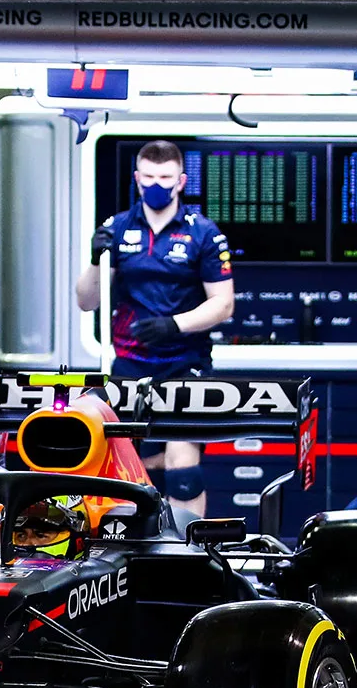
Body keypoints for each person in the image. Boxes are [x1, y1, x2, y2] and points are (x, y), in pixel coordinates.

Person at [75, 139, 236, 516]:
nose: (157, 184)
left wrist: (174, 325)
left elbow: (223, 303)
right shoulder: (116, 228)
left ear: (181, 181)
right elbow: (86, 301)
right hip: (129, 365)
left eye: (165, 177)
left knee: (183, 471)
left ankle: (187, 554)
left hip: (185, 364)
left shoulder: (204, 233)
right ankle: (129, 553)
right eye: (148, 177)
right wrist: (96, 260)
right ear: (137, 179)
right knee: (120, 472)